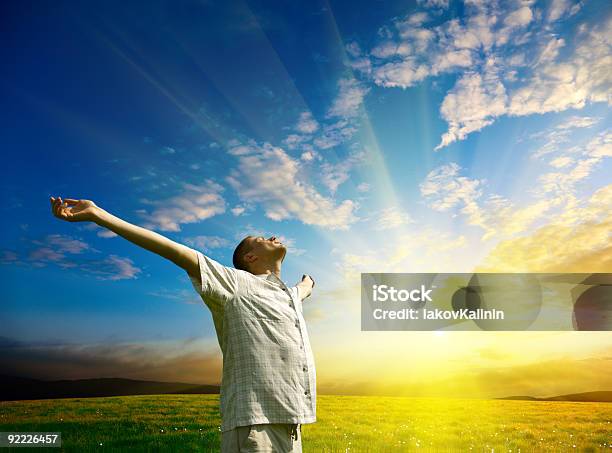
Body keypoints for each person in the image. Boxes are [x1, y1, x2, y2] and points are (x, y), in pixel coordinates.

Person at [49, 196, 317, 452]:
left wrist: (307, 284)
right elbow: (172, 250)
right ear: (250, 257)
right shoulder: (234, 282)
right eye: (261, 240)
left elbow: (301, 290)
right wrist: (99, 215)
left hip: (291, 422)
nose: (271, 238)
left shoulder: (288, 295)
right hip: (255, 422)